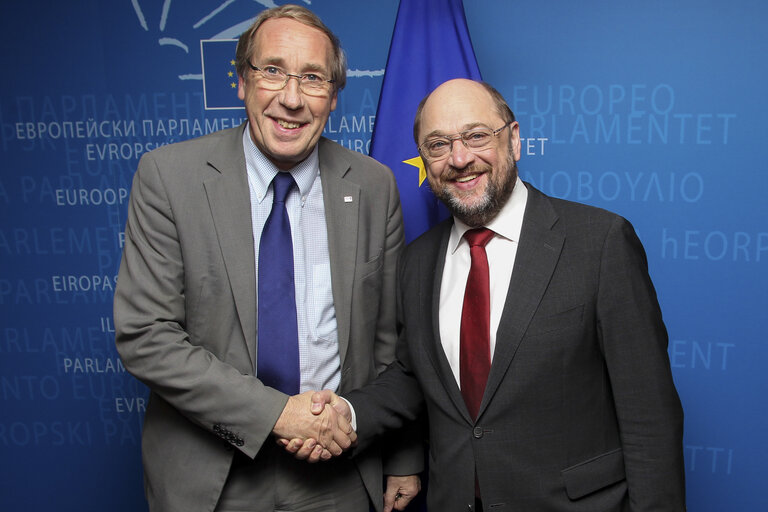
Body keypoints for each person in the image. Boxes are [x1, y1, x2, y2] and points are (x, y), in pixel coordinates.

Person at [299, 79, 686, 511]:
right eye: (438, 145)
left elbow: (649, 417)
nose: (460, 159)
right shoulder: (418, 261)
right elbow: (412, 376)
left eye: (477, 136)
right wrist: (347, 414)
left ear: (515, 140)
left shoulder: (600, 243)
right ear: (424, 160)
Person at [113, 5, 421, 512]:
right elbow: (146, 336)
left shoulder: (372, 185)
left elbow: (391, 342)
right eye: (273, 71)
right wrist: (279, 415)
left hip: (340, 470)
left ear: (334, 96)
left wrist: (403, 455)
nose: (292, 99)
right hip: (214, 474)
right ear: (241, 81)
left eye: (313, 78)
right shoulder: (169, 178)